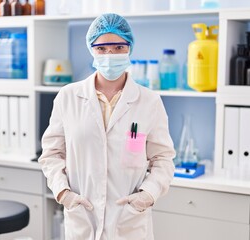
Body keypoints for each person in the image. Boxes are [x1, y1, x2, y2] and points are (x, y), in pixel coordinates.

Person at [38, 13, 175, 240]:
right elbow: (51, 154)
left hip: (129, 221)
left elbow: (163, 159)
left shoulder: (149, 101)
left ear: (129, 48)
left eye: (118, 47)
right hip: (83, 216)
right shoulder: (68, 97)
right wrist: (64, 193)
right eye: (102, 48)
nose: (110, 54)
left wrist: (147, 195)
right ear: (91, 49)